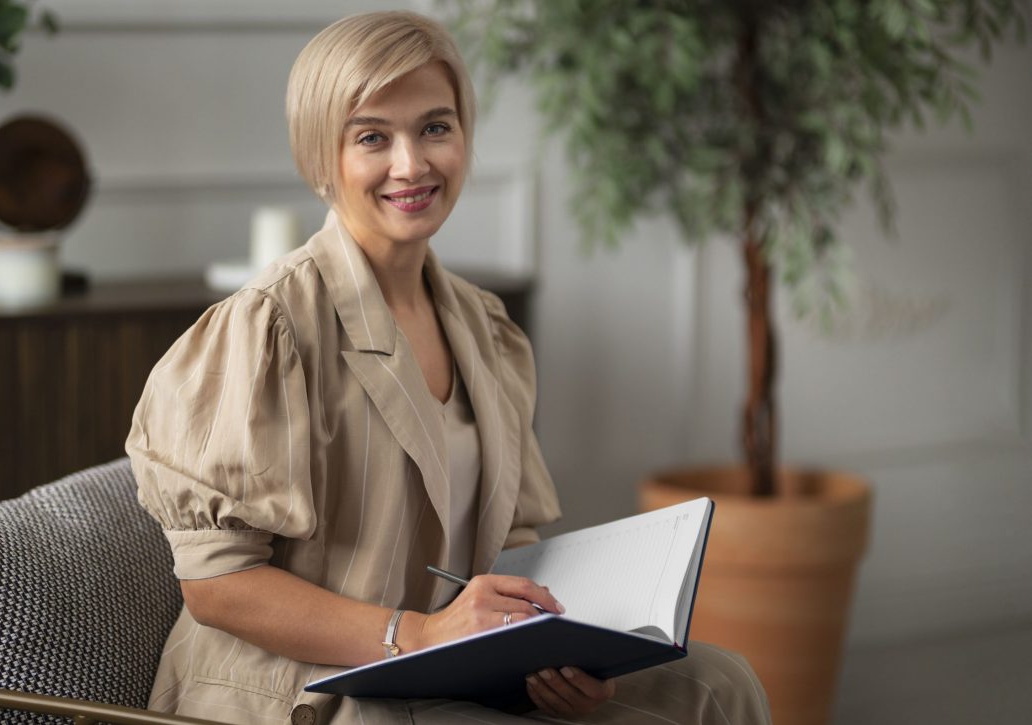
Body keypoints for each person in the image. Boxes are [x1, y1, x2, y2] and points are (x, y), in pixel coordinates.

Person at [126, 10, 771, 725]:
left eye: (435, 127)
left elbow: (509, 546)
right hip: (308, 683)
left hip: (450, 662)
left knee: (721, 683)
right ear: (321, 157)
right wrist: (419, 631)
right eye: (373, 136)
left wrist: (551, 651)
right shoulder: (267, 326)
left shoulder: (484, 326)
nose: (413, 164)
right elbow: (219, 586)